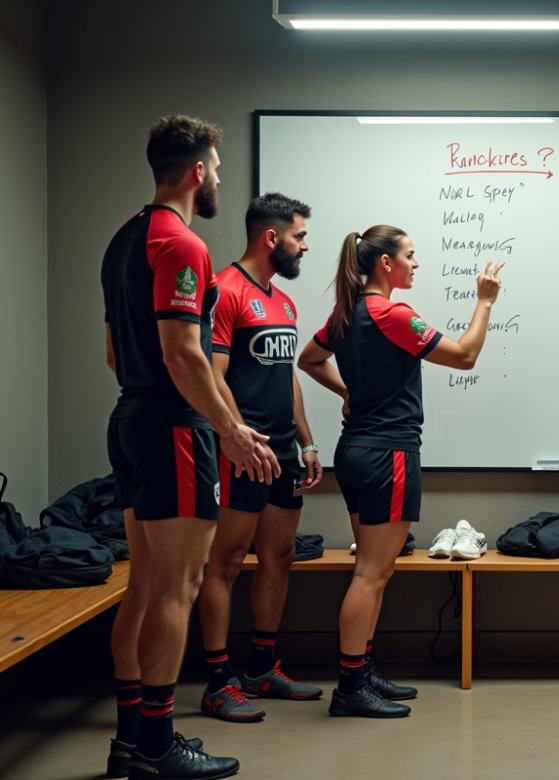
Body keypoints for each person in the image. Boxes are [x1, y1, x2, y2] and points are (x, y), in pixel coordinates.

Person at [101, 115, 278, 780]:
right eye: (218, 169)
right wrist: (228, 429)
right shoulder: (183, 244)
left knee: (144, 587)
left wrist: (222, 418)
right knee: (179, 587)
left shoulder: (123, 240)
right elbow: (185, 355)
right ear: (198, 170)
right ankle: (156, 745)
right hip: (175, 428)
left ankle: (127, 742)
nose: (220, 181)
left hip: (130, 418)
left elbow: (116, 352)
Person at [297, 226, 504, 718]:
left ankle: (361, 672)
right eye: (410, 256)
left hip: (356, 452)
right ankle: (350, 687)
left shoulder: (348, 312)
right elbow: (466, 355)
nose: (416, 264)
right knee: (371, 573)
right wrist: (485, 302)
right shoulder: (391, 313)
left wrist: (348, 392)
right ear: (385, 264)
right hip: (387, 454)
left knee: (375, 570)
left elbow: (310, 359)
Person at [196, 193, 324, 723]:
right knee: (224, 564)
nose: (304, 246)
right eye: (298, 236)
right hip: (242, 453)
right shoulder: (225, 291)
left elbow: (286, 374)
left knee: (279, 558)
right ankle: (218, 680)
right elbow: (213, 375)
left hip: (283, 454)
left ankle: (262, 668)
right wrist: (237, 436)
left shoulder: (283, 302)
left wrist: (307, 439)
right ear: (270, 238)